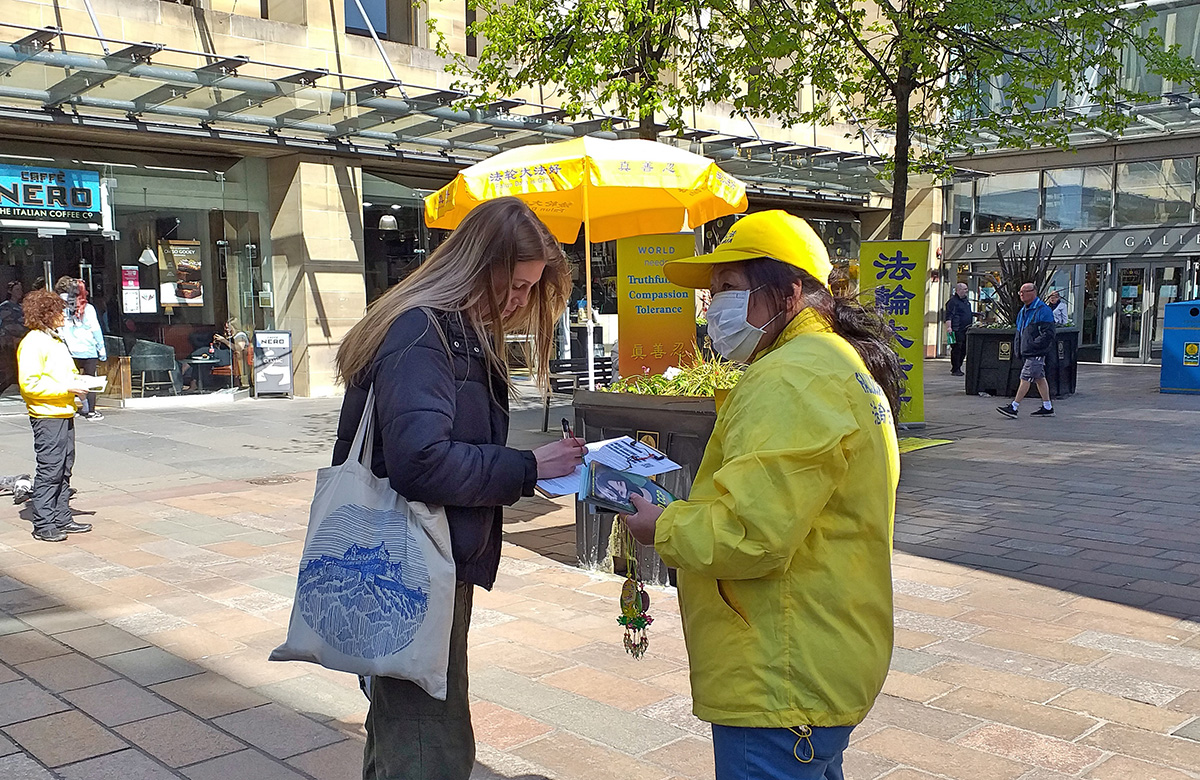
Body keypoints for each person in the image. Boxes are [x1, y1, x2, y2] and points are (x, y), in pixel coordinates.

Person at [622, 210, 902, 780]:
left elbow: (751, 533)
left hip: (780, 672)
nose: (712, 308)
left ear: (790, 291)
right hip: (816, 653)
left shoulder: (791, 377)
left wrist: (663, 525)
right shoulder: (833, 362)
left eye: (728, 287)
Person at [331, 197, 586, 780]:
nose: (519, 301)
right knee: (429, 741)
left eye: (530, 289)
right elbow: (421, 462)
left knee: (410, 727)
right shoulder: (424, 331)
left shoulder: (447, 329)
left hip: (423, 559)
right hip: (412, 565)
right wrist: (527, 467)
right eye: (515, 285)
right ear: (478, 265)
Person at [17, 289, 93, 542]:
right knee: (50, 469)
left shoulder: (53, 340)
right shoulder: (33, 343)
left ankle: (61, 517)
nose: (64, 315)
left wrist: (78, 384)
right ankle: (44, 523)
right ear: (46, 314)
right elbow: (29, 385)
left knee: (64, 467)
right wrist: (67, 388)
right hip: (47, 415)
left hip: (62, 411)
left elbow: (61, 374)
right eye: (59, 311)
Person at [998, 282, 1057, 418]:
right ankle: (1047, 407)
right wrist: (1019, 348)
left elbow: (1049, 333)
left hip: (1035, 352)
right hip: (1028, 351)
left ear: (1033, 292)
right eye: (1020, 291)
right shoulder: (1023, 311)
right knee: (1039, 378)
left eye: (1025, 291)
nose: (1021, 294)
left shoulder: (1043, 310)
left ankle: (1014, 407)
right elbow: (1019, 332)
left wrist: (1034, 345)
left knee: (1025, 378)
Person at [54, 278, 107, 421]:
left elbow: (60, 330)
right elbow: (96, 330)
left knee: (72, 380)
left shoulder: (62, 309)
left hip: (70, 351)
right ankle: (91, 411)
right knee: (90, 380)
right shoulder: (88, 309)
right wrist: (101, 349)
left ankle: (75, 407)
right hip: (88, 350)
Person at [943, 282, 979, 376]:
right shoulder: (953, 302)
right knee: (957, 349)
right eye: (964, 289)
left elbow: (966, 313)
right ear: (958, 290)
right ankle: (955, 368)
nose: (966, 291)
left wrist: (974, 314)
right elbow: (949, 315)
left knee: (963, 349)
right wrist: (949, 327)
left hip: (966, 329)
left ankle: (958, 366)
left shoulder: (966, 302)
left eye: (967, 289)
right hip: (956, 328)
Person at [1, 280, 27, 390]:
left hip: (23, 341)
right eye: (17, 289)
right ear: (10, 291)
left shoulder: (23, 307)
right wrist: (8, 338)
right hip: (10, 344)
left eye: (20, 289)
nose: (19, 292)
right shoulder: (4, 307)